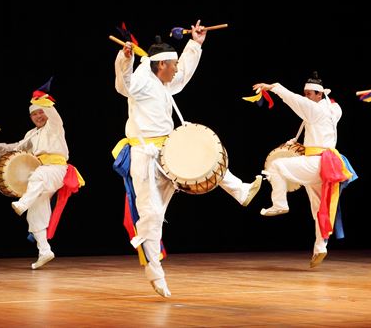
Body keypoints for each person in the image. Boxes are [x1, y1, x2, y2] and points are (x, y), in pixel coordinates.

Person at [112, 20, 262, 298]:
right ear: (160, 65)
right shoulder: (142, 82)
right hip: (144, 155)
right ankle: (155, 272)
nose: (177, 68)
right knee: (153, 214)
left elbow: (183, 76)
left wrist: (195, 44)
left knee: (202, 159)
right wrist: (126, 58)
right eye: (173, 64)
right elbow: (125, 85)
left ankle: (241, 191)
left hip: (167, 149)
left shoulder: (163, 83)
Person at [253, 71, 357, 268]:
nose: (306, 96)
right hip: (327, 163)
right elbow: (319, 111)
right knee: (318, 208)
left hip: (316, 162)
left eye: (310, 93)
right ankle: (320, 247)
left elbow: (293, 100)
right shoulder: (334, 109)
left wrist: (274, 87)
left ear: (319, 95)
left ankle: (280, 203)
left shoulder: (314, 110)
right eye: (305, 93)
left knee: (276, 166)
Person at [0, 80, 84, 270]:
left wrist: (42, 97)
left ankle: (22, 203)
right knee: (36, 214)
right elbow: (16, 147)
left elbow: (51, 111)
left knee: (37, 175)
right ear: (31, 117)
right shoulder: (32, 133)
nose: (38, 116)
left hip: (56, 170)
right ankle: (45, 250)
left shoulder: (54, 124)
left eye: (41, 112)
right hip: (43, 173)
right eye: (34, 114)